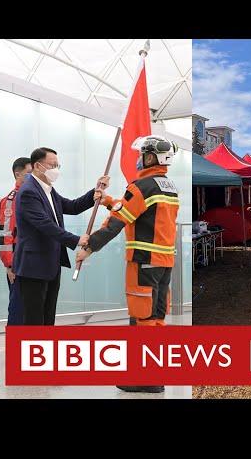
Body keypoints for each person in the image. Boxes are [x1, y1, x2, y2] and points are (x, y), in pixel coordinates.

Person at [76, 135, 179, 394]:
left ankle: (143, 379)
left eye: (143, 154)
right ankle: (156, 375)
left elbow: (119, 220)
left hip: (143, 262)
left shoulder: (141, 185)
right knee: (156, 320)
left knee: (142, 321)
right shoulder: (168, 186)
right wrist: (109, 200)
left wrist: (90, 246)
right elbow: (135, 211)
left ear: (152, 157)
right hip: (164, 264)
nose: (138, 159)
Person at [13, 147, 107, 326]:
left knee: (48, 316)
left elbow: (72, 206)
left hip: (51, 262)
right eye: (52, 165)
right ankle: (33, 352)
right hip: (33, 265)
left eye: (58, 165)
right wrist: (75, 239)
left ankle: (45, 351)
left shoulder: (48, 190)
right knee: (34, 318)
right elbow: (44, 224)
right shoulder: (28, 191)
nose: (56, 169)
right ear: (38, 166)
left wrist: (94, 192)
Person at [0, 157, 32, 325]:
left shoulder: (33, 196)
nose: (32, 177)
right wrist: (10, 265)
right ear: (18, 174)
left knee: (32, 310)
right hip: (18, 262)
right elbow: (6, 235)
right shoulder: (11, 200)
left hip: (33, 260)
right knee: (19, 310)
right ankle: (15, 348)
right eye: (29, 173)